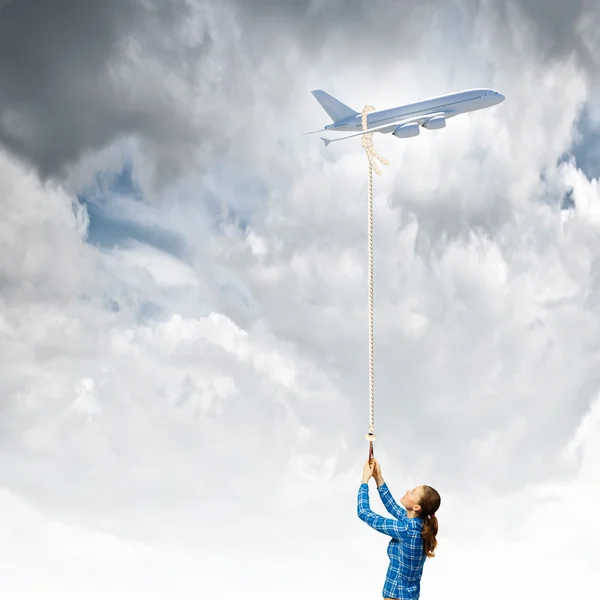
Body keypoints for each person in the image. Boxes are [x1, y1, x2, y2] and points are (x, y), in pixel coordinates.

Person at [357, 458, 440, 600]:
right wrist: (378, 477)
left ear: (416, 507)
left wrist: (364, 481)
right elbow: (392, 507)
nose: (408, 491)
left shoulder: (406, 530)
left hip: (397, 596)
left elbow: (363, 512)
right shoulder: (419, 524)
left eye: (413, 492)